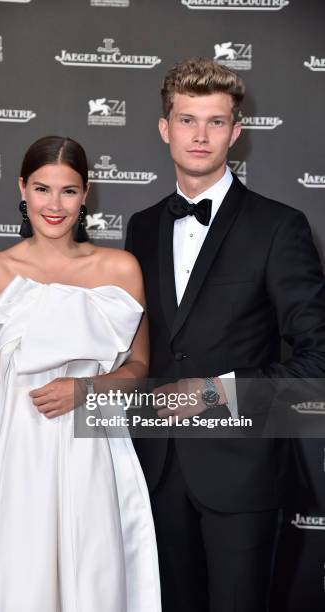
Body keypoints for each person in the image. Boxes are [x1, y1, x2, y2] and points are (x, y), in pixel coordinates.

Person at [125, 58, 325, 612]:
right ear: (165, 128)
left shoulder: (279, 226)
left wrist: (213, 392)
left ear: (237, 132)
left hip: (243, 473)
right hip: (155, 471)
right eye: (187, 120)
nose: (200, 135)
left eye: (216, 122)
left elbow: (318, 363)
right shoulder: (141, 226)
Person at [0, 135, 161, 612]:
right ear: (22, 188)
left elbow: (140, 367)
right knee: (17, 574)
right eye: (42, 189)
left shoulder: (120, 268)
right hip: (14, 445)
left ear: (86, 193)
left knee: (94, 572)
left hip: (93, 442)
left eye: (68, 190)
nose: (54, 204)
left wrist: (85, 389)